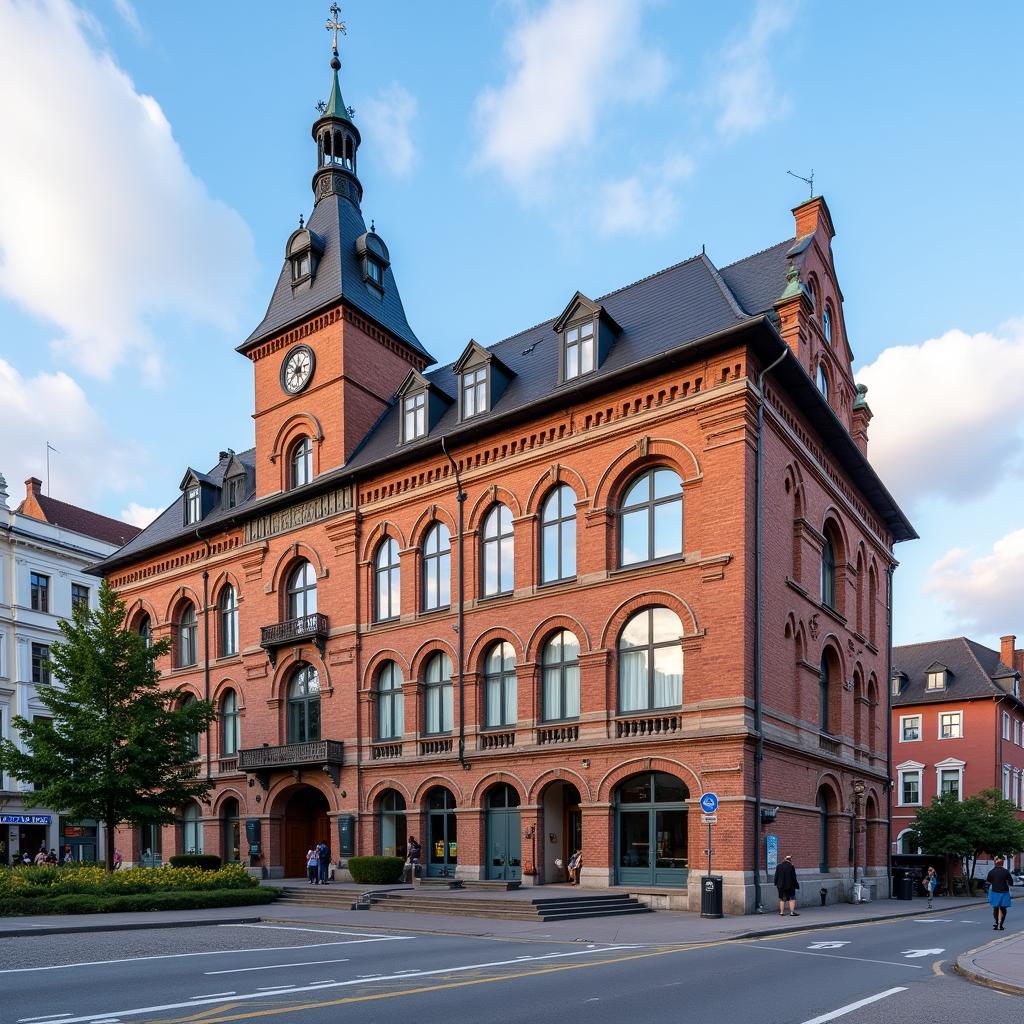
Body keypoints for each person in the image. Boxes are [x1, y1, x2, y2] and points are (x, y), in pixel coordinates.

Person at [986, 856, 1013, 930]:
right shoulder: (1006, 872)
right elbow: (1011, 882)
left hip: (995, 892)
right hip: (1004, 892)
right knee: (1003, 908)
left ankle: (996, 922)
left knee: (995, 908)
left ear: (995, 863)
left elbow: (988, 882)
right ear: (1002, 864)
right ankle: (1001, 925)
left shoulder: (991, 872)